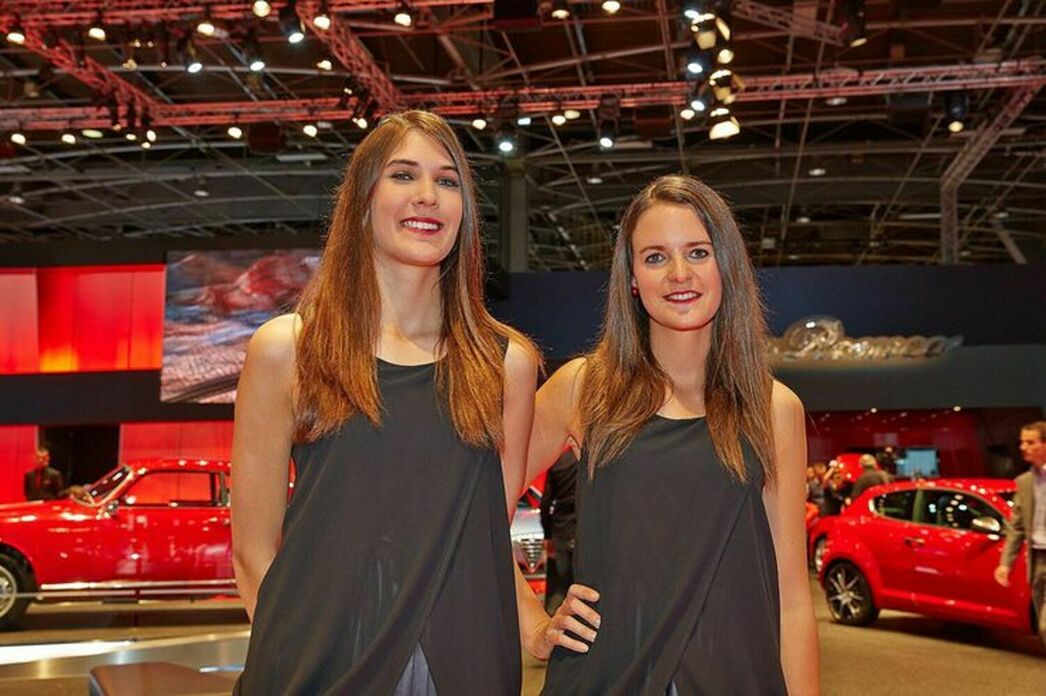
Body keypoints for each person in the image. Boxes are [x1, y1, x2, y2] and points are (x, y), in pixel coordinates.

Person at [231, 111, 540, 695]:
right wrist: (296, 655)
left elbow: (483, 536)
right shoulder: (287, 350)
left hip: (463, 666)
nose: (428, 195)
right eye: (403, 175)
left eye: (447, 181)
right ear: (362, 199)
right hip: (318, 668)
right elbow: (252, 552)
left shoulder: (507, 364)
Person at [517, 175, 819, 694]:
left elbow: (791, 597)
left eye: (698, 252)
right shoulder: (583, 389)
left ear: (726, 264)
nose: (680, 273)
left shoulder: (774, 409)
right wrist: (533, 625)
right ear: (632, 278)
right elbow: (473, 508)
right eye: (655, 257)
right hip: (604, 678)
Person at [994, 420, 1046, 648]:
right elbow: (1017, 527)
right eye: (1022, 442)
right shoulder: (1024, 482)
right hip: (1037, 560)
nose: (1023, 447)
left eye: (1030, 442)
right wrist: (1006, 563)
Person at [540, 450, 578, 614]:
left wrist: (548, 535)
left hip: (561, 530)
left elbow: (545, 503)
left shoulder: (557, 462)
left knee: (561, 586)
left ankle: (551, 620)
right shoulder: (588, 463)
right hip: (583, 529)